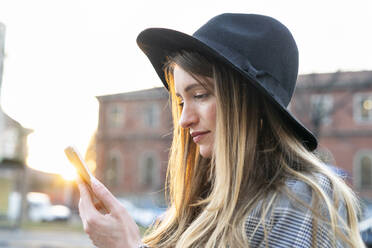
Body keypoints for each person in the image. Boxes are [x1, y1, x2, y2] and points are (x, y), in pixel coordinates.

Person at [77, 13, 365, 247]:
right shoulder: (197, 205)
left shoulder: (301, 201)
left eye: (200, 95)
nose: (183, 119)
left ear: (249, 103)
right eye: (180, 101)